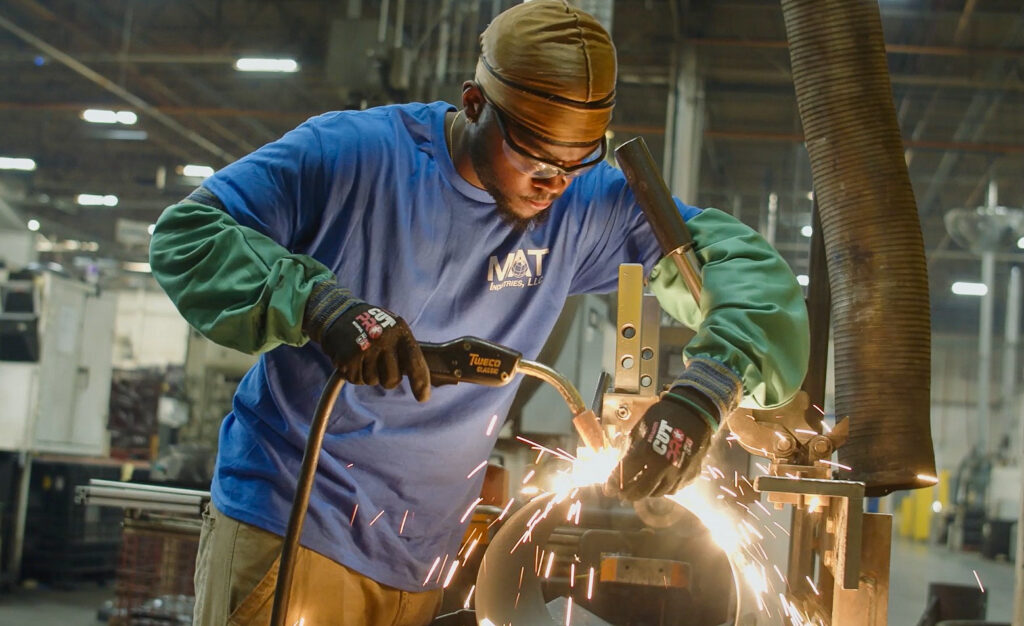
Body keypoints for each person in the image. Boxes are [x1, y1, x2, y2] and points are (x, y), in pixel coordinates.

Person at [150, 1, 809, 624]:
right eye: (535, 157)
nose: (553, 183)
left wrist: (707, 390)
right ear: (474, 105)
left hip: (424, 555)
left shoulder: (583, 207)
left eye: (578, 162)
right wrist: (317, 302)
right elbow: (190, 235)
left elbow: (739, 267)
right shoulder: (352, 157)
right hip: (294, 527)